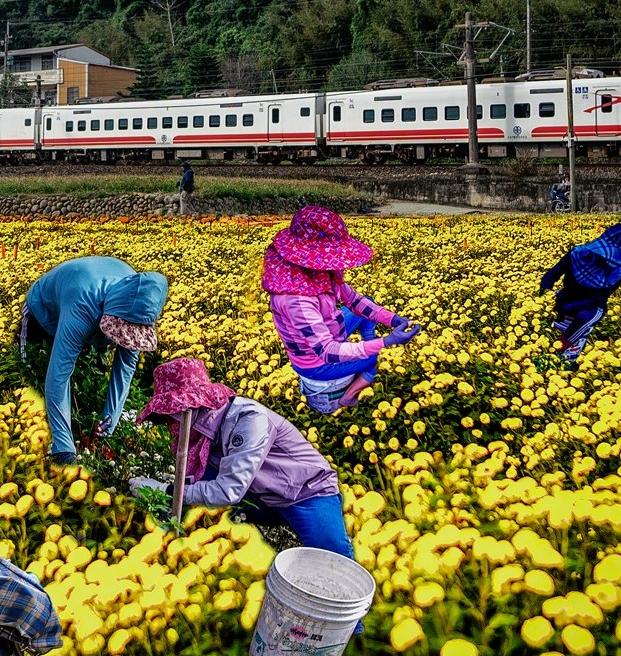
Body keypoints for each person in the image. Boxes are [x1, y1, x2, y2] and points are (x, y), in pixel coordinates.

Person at [129, 357, 355, 559]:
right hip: (260, 495)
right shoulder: (202, 435)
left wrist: (165, 491)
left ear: (190, 409)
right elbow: (196, 485)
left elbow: (227, 490)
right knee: (211, 524)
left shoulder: (247, 420)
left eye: (168, 419)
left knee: (334, 560)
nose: (168, 427)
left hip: (305, 492)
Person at [262, 205, 419, 415]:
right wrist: (385, 343)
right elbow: (327, 351)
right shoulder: (296, 299)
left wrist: (393, 320)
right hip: (317, 364)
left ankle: (366, 345)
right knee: (379, 355)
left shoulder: (321, 273)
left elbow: (354, 301)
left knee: (366, 306)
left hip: (330, 333)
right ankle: (348, 396)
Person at [19, 256, 169, 464]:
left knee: (87, 384)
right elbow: (59, 373)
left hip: (92, 313)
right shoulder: (83, 304)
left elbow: (125, 368)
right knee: (32, 381)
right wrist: (64, 449)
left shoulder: (140, 305)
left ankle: (79, 430)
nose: (123, 336)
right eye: (120, 329)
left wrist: (110, 419)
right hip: (43, 313)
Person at [539, 222, 621, 368]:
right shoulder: (577, 254)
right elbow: (552, 274)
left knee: (584, 317)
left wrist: (566, 308)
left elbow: (596, 299)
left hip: (593, 306)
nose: (606, 261)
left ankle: (562, 350)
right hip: (567, 297)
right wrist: (544, 296)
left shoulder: (620, 270)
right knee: (542, 317)